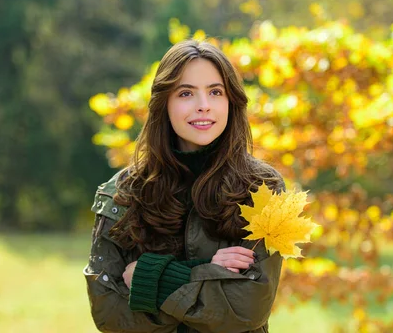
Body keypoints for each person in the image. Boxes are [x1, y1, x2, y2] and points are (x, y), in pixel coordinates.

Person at [83, 39, 285, 333]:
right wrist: (210, 273)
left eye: (216, 92)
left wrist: (148, 276)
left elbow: (246, 307)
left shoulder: (262, 188)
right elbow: (110, 315)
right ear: (164, 102)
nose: (203, 106)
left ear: (231, 101)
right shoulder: (122, 192)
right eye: (186, 93)